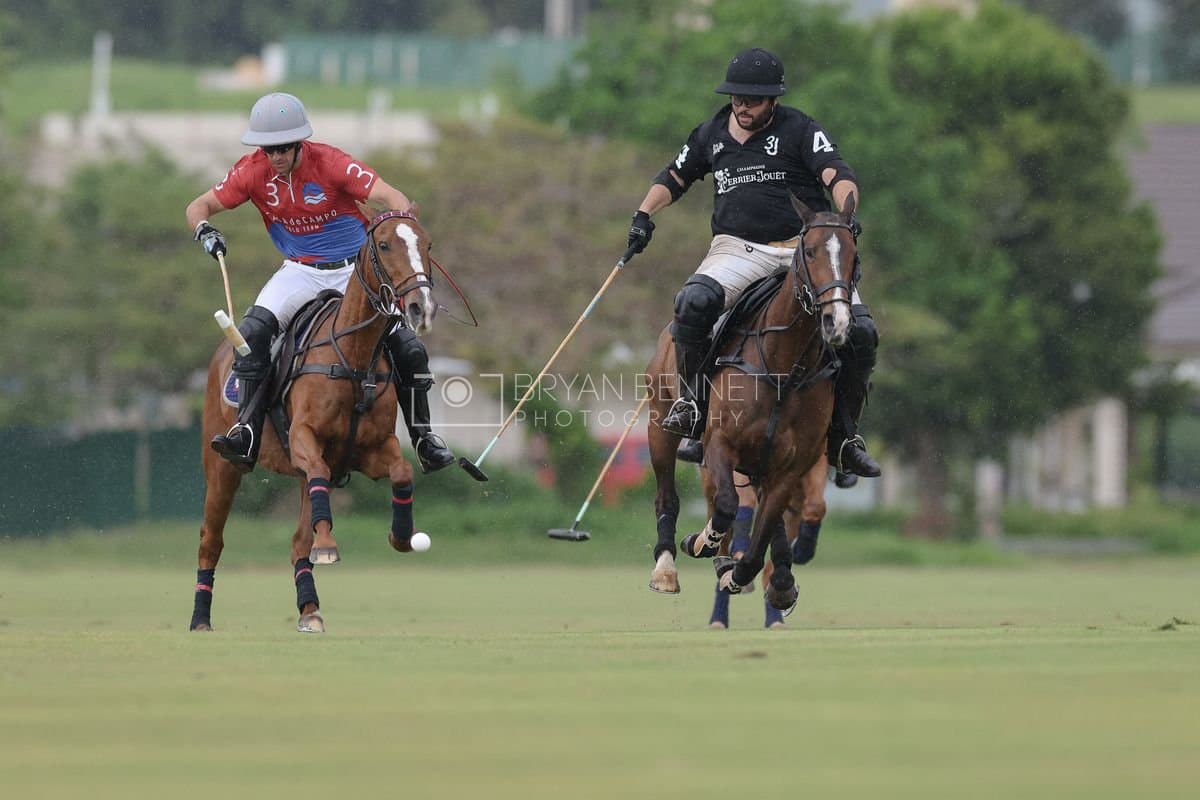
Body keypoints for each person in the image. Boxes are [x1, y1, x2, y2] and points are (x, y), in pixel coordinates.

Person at [627, 48, 880, 485]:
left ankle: (844, 437)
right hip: (738, 249)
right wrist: (643, 215)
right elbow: (674, 177)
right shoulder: (711, 133)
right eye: (736, 98)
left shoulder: (800, 129)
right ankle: (693, 407)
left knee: (862, 333)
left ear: (773, 100)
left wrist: (845, 214)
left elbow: (837, 174)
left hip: (804, 253)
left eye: (753, 100)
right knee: (693, 302)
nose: (742, 106)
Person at [185, 92, 455, 473]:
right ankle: (246, 429)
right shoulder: (251, 171)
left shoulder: (331, 163)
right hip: (299, 271)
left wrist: (400, 225)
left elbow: (388, 195)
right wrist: (204, 230)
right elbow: (198, 207)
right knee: (252, 335)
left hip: (355, 274)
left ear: (299, 143)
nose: (276, 156)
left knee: (408, 347)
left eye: (283, 148)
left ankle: (424, 439)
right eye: (268, 149)